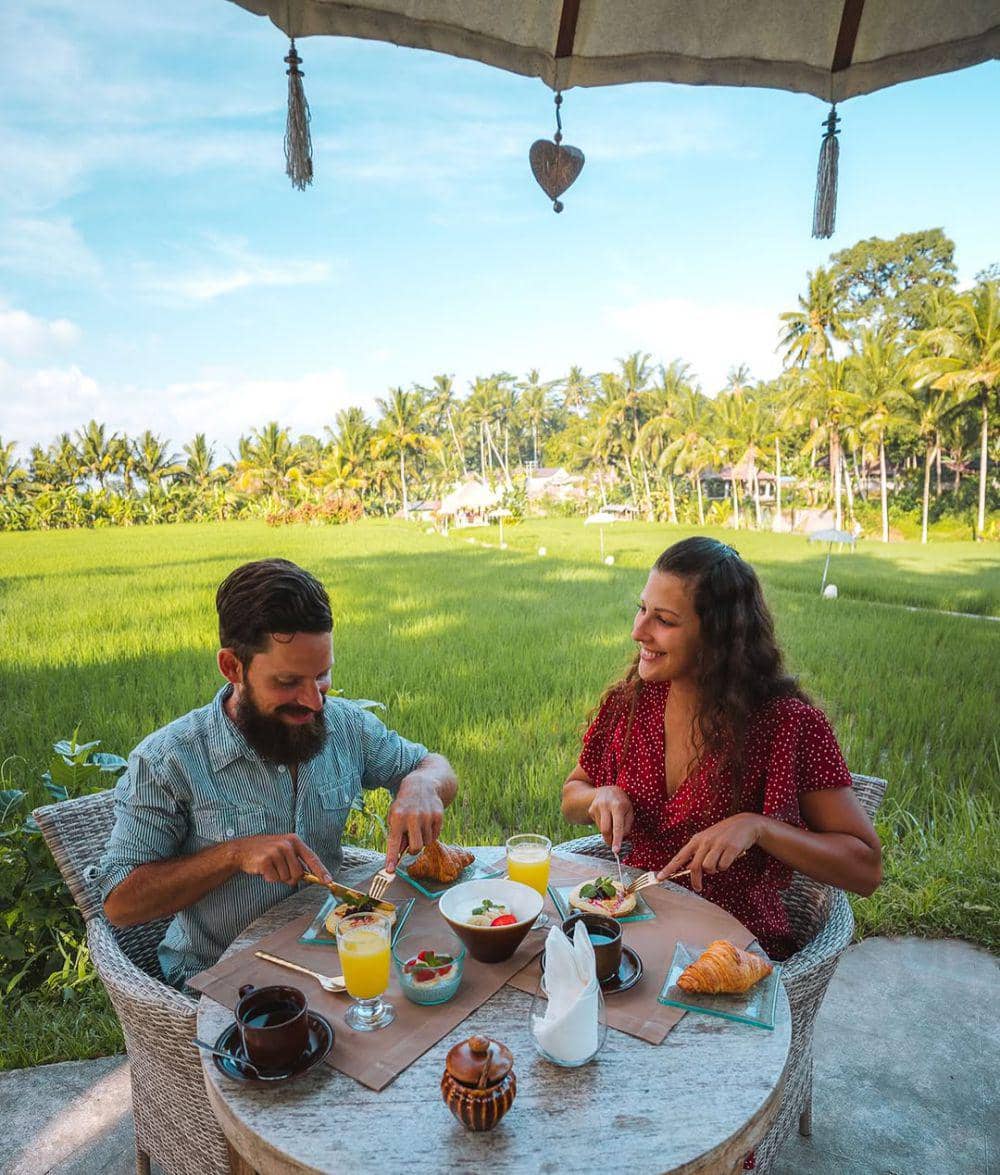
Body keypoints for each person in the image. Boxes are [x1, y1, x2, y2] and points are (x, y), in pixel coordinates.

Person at [100, 558, 457, 986]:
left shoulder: (345, 725)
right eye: (288, 682)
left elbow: (436, 767)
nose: (313, 701)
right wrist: (233, 855)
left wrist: (422, 782)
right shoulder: (167, 761)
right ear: (232, 667)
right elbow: (120, 903)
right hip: (226, 977)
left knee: (448, 977)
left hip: (333, 956)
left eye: (322, 675)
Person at [561, 536, 881, 960]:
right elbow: (572, 796)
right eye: (642, 609)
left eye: (665, 620)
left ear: (718, 636)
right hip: (636, 923)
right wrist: (599, 796)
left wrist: (759, 827)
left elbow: (865, 869)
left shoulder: (786, 725)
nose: (638, 631)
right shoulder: (632, 702)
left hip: (729, 948)